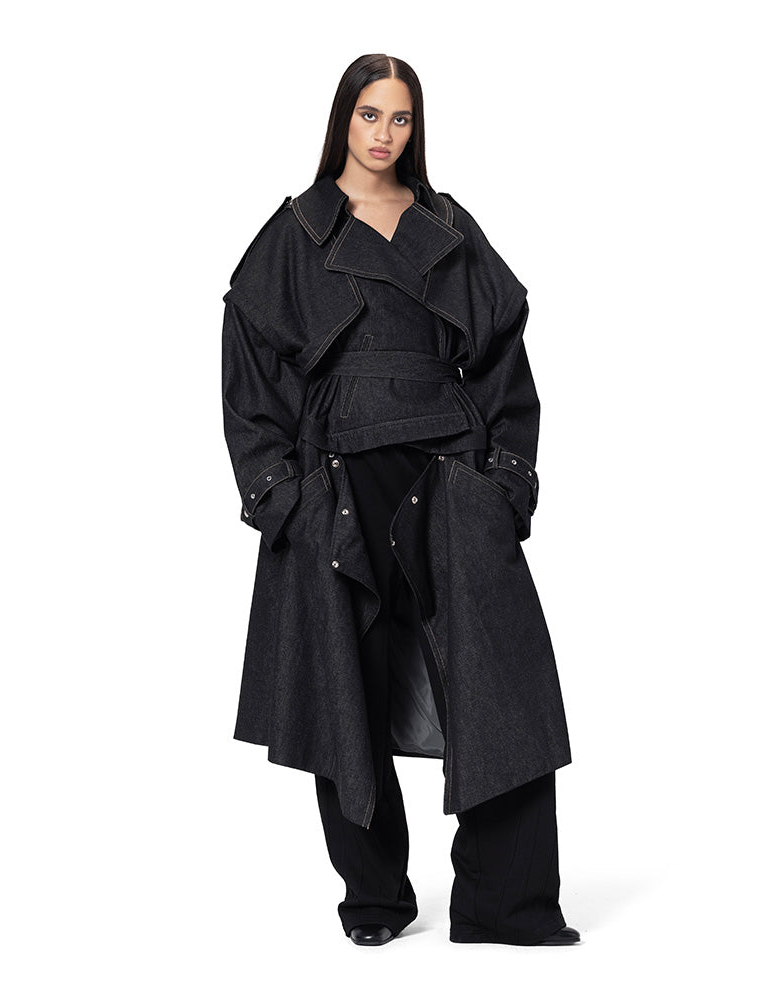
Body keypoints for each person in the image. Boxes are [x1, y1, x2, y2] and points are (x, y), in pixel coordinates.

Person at [220, 53, 579, 947]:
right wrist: (284, 499)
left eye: (402, 118)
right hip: (338, 482)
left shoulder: (446, 225)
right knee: (347, 688)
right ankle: (375, 899)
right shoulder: (297, 232)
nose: (385, 134)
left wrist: (505, 483)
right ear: (343, 118)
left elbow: (502, 354)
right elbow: (250, 373)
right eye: (370, 114)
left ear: (417, 127)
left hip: (450, 477)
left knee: (501, 687)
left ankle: (506, 905)